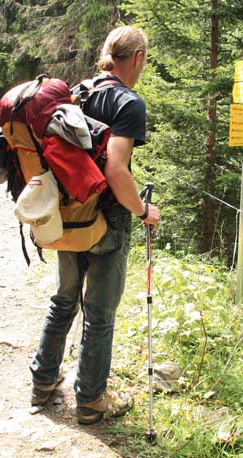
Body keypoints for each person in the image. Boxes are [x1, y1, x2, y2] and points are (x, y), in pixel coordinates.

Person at [30, 25, 160, 424]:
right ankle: (90, 400)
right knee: (100, 312)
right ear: (136, 58)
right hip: (107, 221)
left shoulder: (80, 92)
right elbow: (117, 170)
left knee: (64, 299)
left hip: (71, 214)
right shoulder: (128, 103)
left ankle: (44, 382)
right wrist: (143, 211)